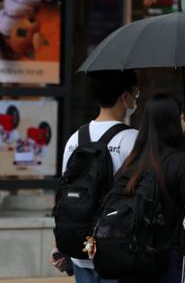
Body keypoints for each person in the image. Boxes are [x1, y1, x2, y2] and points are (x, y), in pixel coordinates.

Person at [50, 70, 140, 283]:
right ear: (125, 97)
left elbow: (64, 193)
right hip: (116, 248)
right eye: (135, 93)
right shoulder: (133, 139)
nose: (136, 98)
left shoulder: (75, 139)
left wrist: (57, 243)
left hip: (80, 248)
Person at [117, 93, 185, 283]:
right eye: (183, 118)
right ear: (173, 122)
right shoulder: (182, 162)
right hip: (168, 258)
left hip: (130, 257)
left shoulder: (131, 162)